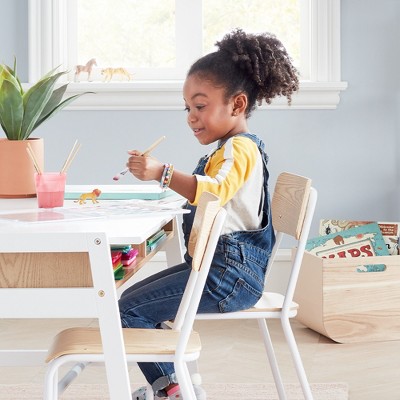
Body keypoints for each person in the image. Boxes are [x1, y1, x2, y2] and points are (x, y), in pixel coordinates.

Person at [119, 28, 299, 400]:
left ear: (236, 105)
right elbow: (208, 194)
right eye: (187, 108)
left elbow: (215, 192)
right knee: (127, 304)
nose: (191, 116)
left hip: (229, 276)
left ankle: (171, 389)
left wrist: (162, 174)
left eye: (200, 106)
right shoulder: (226, 150)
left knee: (128, 312)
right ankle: (172, 384)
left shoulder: (240, 150)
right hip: (218, 269)